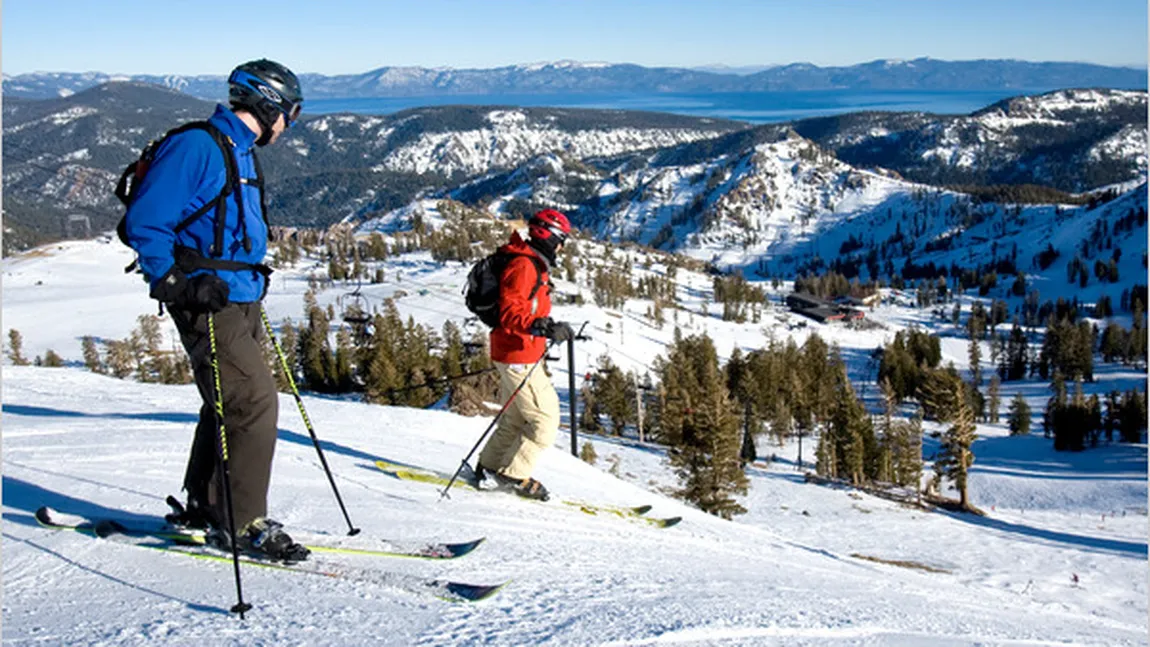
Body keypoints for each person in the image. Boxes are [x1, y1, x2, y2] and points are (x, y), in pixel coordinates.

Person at [123, 59, 307, 561]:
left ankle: (206, 507)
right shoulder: (199, 146)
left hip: (239, 295)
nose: (290, 123)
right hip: (207, 300)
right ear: (268, 105)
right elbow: (146, 222)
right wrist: (174, 281)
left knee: (227, 400)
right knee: (254, 403)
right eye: (290, 111)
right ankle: (241, 521)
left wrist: (249, 269)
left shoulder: (240, 151)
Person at [473, 209, 575, 501]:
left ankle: (489, 466)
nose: (562, 246)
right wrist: (540, 326)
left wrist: (545, 327)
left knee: (516, 417)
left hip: (517, 350)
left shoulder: (531, 261)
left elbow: (525, 309)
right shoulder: (524, 265)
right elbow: (510, 312)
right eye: (561, 239)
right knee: (545, 419)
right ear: (549, 236)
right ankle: (513, 475)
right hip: (519, 354)